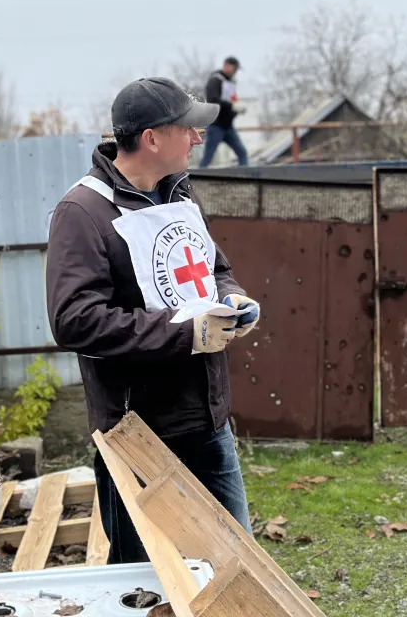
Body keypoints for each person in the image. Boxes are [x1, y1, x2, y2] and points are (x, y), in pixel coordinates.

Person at [45, 76, 262, 564]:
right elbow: (75, 320)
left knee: (238, 569)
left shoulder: (180, 195)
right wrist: (185, 334)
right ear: (153, 138)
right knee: (144, 585)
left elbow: (213, 270)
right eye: (189, 128)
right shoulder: (82, 212)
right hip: (138, 435)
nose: (200, 138)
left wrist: (233, 300)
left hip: (208, 421)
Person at [199, 56, 248, 167]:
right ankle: (196, 181)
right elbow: (213, 100)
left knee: (242, 153)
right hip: (216, 125)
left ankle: (246, 179)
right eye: (234, 68)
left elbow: (231, 100)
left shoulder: (230, 83)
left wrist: (237, 109)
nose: (235, 72)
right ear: (226, 66)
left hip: (228, 126)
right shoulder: (215, 80)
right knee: (208, 158)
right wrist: (232, 105)